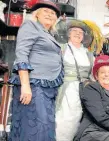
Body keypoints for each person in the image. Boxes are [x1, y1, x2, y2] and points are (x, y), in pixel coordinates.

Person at [8, 1, 63, 141]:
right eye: (46, 11)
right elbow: (22, 55)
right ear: (37, 14)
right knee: (36, 128)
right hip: (33, 85)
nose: (50, 15)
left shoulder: (49, 34)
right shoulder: (30, 25)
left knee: (45, 128)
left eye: (53, 13)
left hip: (47, 87)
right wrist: (26, 86)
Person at [55, 19, 95, 141]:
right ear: (68, 33)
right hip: (66, 90)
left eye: (81, 32)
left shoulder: (88, 54)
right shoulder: (62, 49)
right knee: (65, 119)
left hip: (84, 91)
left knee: (81, 120)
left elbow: (92, 74)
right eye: (74, 31)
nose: (78, 34)